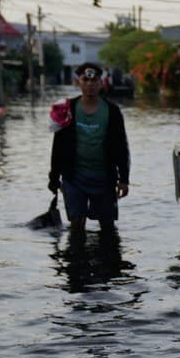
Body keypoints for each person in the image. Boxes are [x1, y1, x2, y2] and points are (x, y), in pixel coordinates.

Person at [47, 62, 130, 233]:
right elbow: (58, 147)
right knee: (76, 225)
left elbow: (121, 146)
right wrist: (54, 178)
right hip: (74, 177)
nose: (90, 85)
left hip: (104, 178)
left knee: (107, 226)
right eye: (85, 80)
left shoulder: (112, 111)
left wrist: (123, 179)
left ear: (100, 83)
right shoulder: (66, 109)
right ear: (78, 83)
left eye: (94, 81)